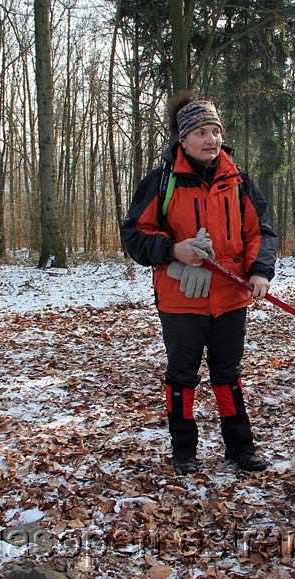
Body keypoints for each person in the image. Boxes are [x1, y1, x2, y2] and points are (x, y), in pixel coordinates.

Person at [120, 91, 278, 475]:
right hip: (180, 301)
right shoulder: (161, 182)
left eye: (216, 131)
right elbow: (133, 235)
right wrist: (174, 249)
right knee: (182, 378)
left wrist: (260, 270)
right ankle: (184, 451)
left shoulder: (238, 180)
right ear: (182, 139)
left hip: (229, 298)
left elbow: (262, 231)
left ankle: (240, 448)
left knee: (228, 375)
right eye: (202, 132)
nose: (211, 140)